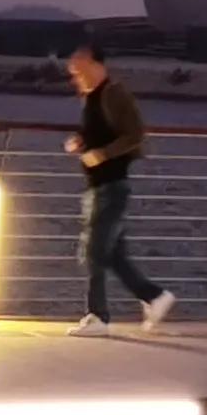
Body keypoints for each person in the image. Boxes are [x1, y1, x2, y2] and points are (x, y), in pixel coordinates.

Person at [63, 44, 174, 332]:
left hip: (112, 186)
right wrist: (80, 142)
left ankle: (98, 316)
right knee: (113, 255)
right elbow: (99, 133)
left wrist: (103, 155)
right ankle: (154, 296)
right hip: (99, 186)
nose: (76, 78)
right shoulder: (91, 98)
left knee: (94, 251)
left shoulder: (115, 94)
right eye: (73, 73)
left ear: (97, 66)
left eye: (80, 71)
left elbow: (135, 134)